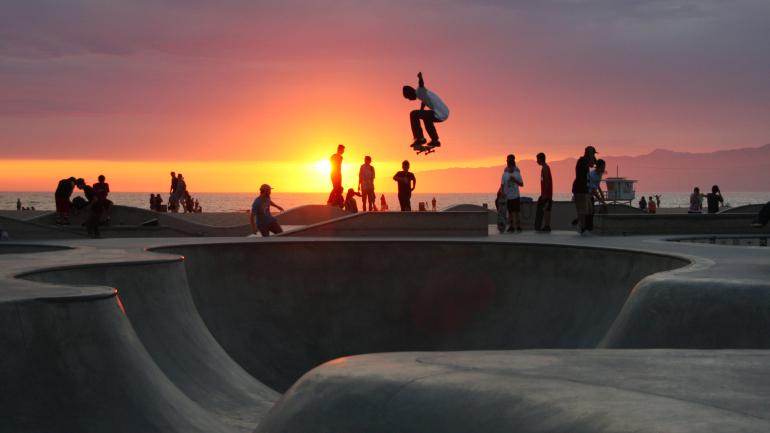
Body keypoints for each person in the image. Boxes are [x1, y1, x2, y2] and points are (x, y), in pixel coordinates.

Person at [403, 72, 449, 149]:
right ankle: (435, 140)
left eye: (408, 97)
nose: (409, 100)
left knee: (413, 114)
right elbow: (423, 102)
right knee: (426, 118)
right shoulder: (421, 95)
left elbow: (421, 85)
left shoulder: (419, 91)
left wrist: (420, 78)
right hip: (444, 113)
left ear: (410, 93)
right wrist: (421, 111)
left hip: (439, 114)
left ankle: (420, 138)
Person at [572, 146, 597, 234]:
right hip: (579, 188)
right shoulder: (583, 161)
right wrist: (591, 154)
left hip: (583, 188)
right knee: (582, 209)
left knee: (589, 209)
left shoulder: (584, 161)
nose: (594, 156)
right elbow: (592, 163)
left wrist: (592, 155)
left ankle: (582, 224)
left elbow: (593, 164)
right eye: (593, 154)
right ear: (589, 154)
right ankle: (582, 227)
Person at [500, 154, 524, 232]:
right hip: (508, 196)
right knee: (510, 212)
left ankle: (518, 226)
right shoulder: (504, 174)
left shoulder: (517, 173)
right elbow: (502, 185)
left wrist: (515, 180)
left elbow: (522, 184)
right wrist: (502, 193)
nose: (510, 167)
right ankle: (511, 226)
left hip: (516, 196)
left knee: (517, 212)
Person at [534, 152, 553, 232]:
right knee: (546, 209)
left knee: (546, 209)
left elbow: (547, 181)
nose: (536, 161)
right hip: (545, 193)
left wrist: (545, 194)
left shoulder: (545, 168)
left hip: (546, 194)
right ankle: (546, 225)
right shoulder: (544, 168)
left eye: (537, 159)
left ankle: (547, 226)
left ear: (540, 159)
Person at [586, 158, 606, 230]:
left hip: (591, 194)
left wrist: (602, 194)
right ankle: (588, 227)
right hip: (586, 194)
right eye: (603, 167)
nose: (604, 169)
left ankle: (589, 227)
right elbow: (594, 191)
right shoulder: (592, 175)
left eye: (604, 167)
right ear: (598, 167)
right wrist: (601, 201)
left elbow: (597, 185)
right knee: (590, 211)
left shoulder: (600, 174)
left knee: (591, 211)